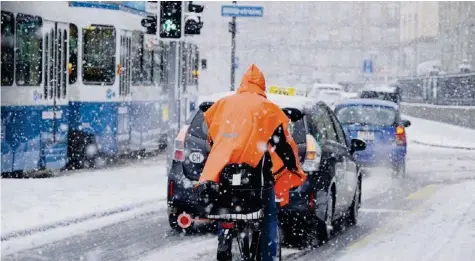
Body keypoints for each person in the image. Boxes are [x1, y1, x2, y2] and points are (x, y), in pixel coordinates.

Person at [196, 64, 306, 261]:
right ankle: (268, 256)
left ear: (242, 84)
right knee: (269, 216)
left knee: (226, 210)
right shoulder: (267, 109)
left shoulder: (223, 105)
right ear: (262, 86)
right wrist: (291, 166)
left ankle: (225, 241)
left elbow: (212, 137)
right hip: (256, 178)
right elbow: (281, 144)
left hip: (226, 175)